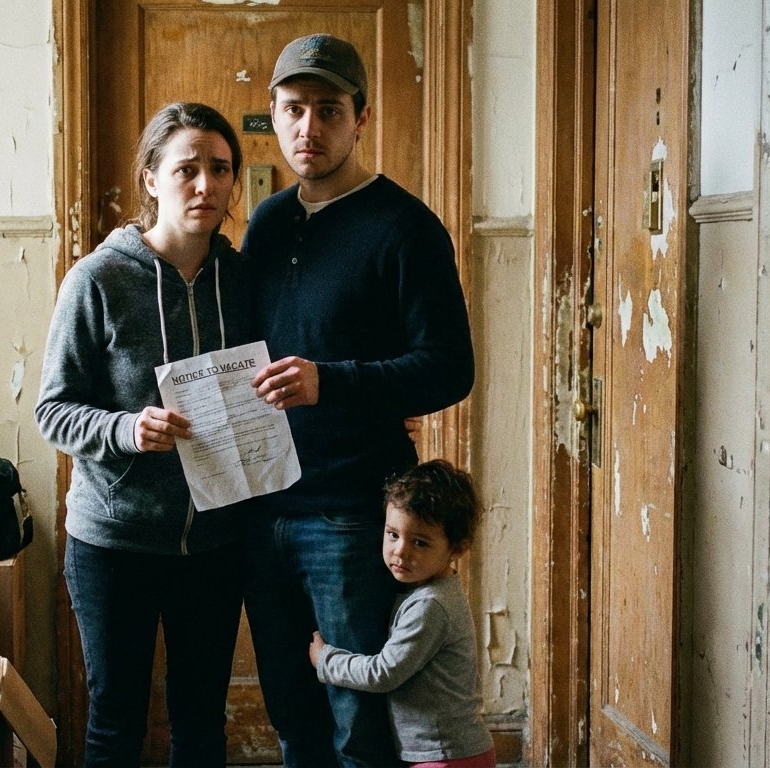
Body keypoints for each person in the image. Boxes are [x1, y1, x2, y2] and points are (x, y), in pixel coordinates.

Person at [241, 32, 476, 768]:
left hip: (349, 513)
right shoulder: (268, 222)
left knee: (359, 723)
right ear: (274, 116)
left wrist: (331, 380)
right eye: (293, 110)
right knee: (290, 709)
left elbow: (449, 368)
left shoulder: (405, 227)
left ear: (361, 118)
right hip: (262, 502)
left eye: (328, 110)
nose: (308, 128)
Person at [35, 101, 249, 768]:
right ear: (151, 179)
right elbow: (53, 411)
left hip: (215, 540)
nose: (206, 186)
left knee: (200, 721)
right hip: (114, 541)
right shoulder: (97, 280)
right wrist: (129, 428)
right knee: (116, 721)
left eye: (220, 170)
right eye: (187, 169)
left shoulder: (243, 281)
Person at [309, 460, 496, 768]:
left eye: (420, 542)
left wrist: (326, 659)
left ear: (457, 549)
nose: (400, 551)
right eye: (393, 534)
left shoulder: (430, 605)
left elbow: (384, 673)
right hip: (441, 752)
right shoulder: (425, 591)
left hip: (445, 754)